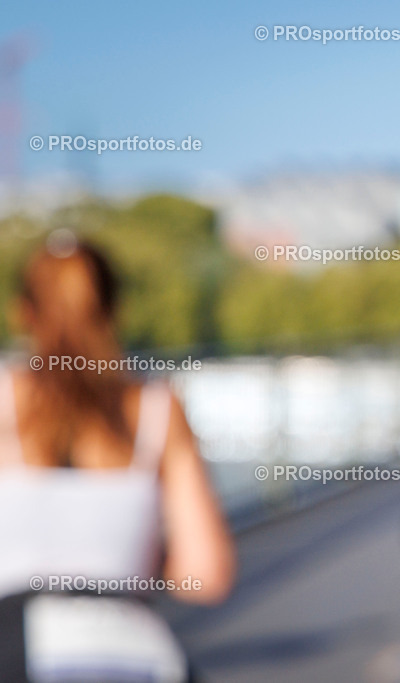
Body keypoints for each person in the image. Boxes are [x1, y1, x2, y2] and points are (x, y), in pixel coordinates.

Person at [0, 236, 235, 682]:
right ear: (114, 308)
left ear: (22, 312)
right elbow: (206, 574)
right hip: (132, 651)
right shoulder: (156, 408)